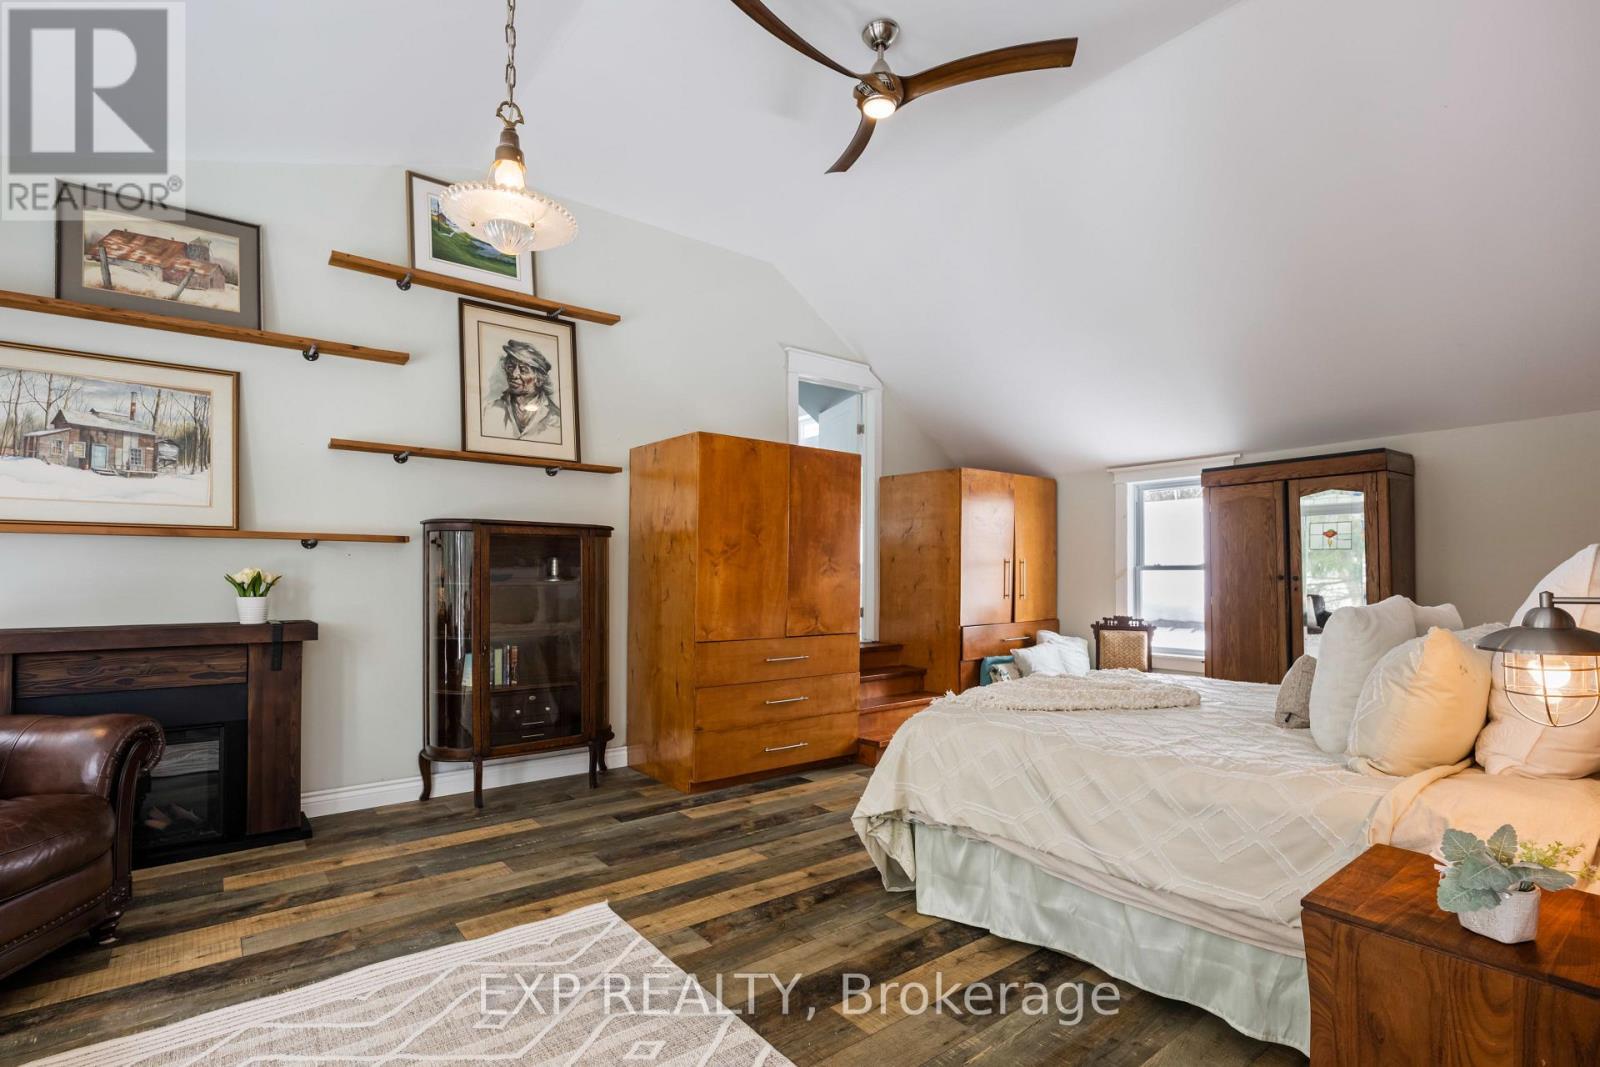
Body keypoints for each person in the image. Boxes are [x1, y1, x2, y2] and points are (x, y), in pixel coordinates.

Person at [486, 338, 561, 441]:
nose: (514, 374)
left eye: (523, 370)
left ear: (539, 379)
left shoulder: (556, 419)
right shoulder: (491, 409)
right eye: (511, 367)